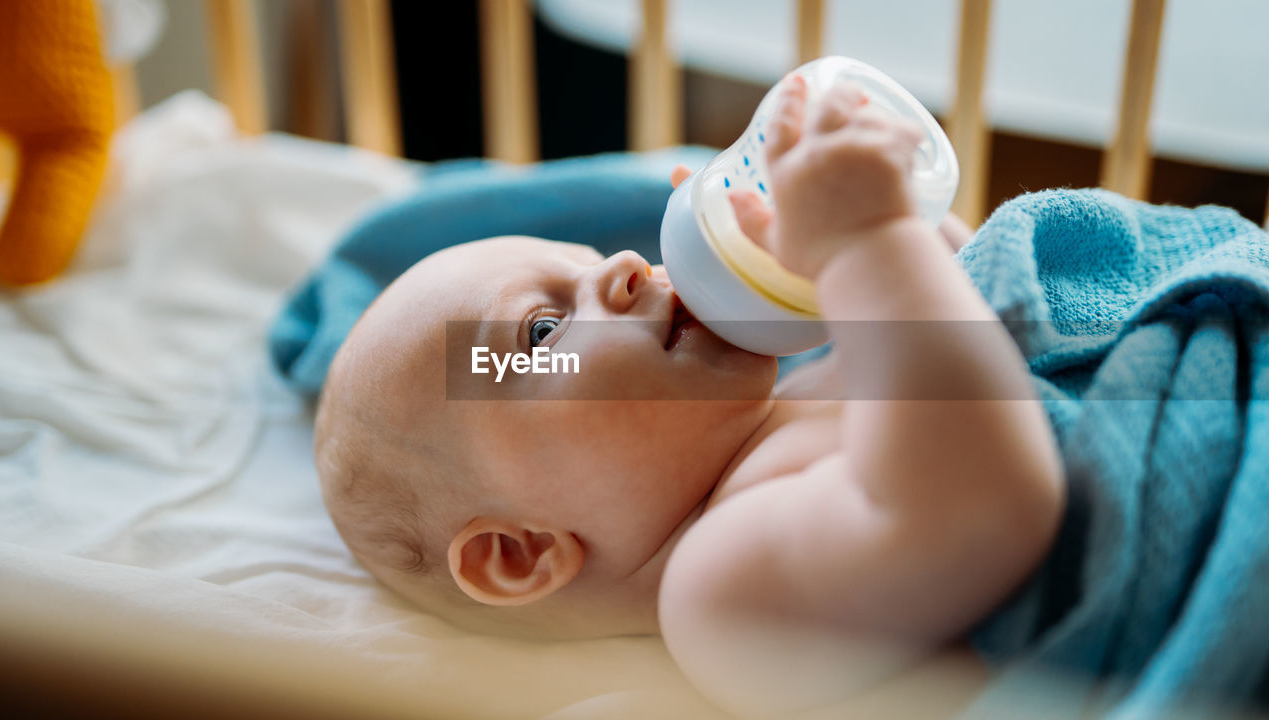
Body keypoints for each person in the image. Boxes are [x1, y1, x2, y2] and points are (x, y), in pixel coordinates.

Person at [313, 74, 1065, 716]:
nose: (629, 266)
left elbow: (985, 321)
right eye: (542, 330)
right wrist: (866, 245)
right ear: (520, 552)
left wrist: (863, 227)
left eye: (595, 260)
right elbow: (974, 505)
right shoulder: (721, 597)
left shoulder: (801, 390)